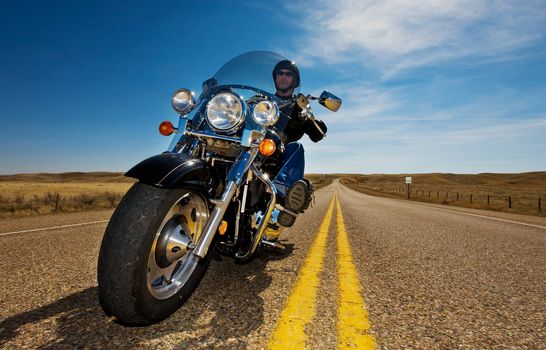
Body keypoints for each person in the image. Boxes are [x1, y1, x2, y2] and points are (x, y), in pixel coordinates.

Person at [269, 60, 328, 218]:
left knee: (296, 147)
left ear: (295, 81)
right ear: (274, 78)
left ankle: (282, 193)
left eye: (288, 74)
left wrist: (310, 120)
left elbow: (317, 135)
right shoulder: (263, 101)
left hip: (280, 159)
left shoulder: (299, 108)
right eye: (280, 73)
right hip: (252, 149)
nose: (283, 77)